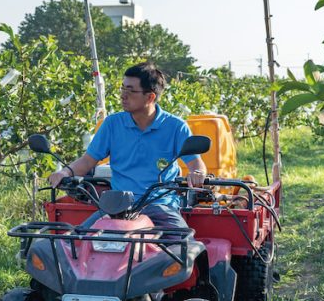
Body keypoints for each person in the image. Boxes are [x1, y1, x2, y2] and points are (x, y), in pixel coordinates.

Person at [48, 61, 207, 229]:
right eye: (122, 89)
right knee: (77, 241)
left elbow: (196, 163)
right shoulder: (112, 124)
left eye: (130, 91)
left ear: (150, 96)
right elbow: (88, 161)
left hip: (160, 205)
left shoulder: (176, 127)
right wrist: (64, 172)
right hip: (117, 206)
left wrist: (197, 174)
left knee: (181, 244)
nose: (123, 95)